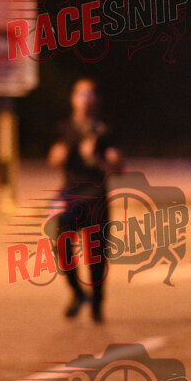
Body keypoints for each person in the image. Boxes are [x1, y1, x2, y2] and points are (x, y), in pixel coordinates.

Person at [47, 78, 122, 323]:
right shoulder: (65, 128)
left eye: (89, 94)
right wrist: (59, 155)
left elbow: (118, 167)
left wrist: (100, 158)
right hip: (70, 194)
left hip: (96, 195)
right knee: (61, 244)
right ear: (73, 98)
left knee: (96, 254)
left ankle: (98, 302)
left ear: (96, 99)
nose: (85, 99)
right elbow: (53, 159)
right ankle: (78, 293)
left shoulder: (104, 130)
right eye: (80, 93)